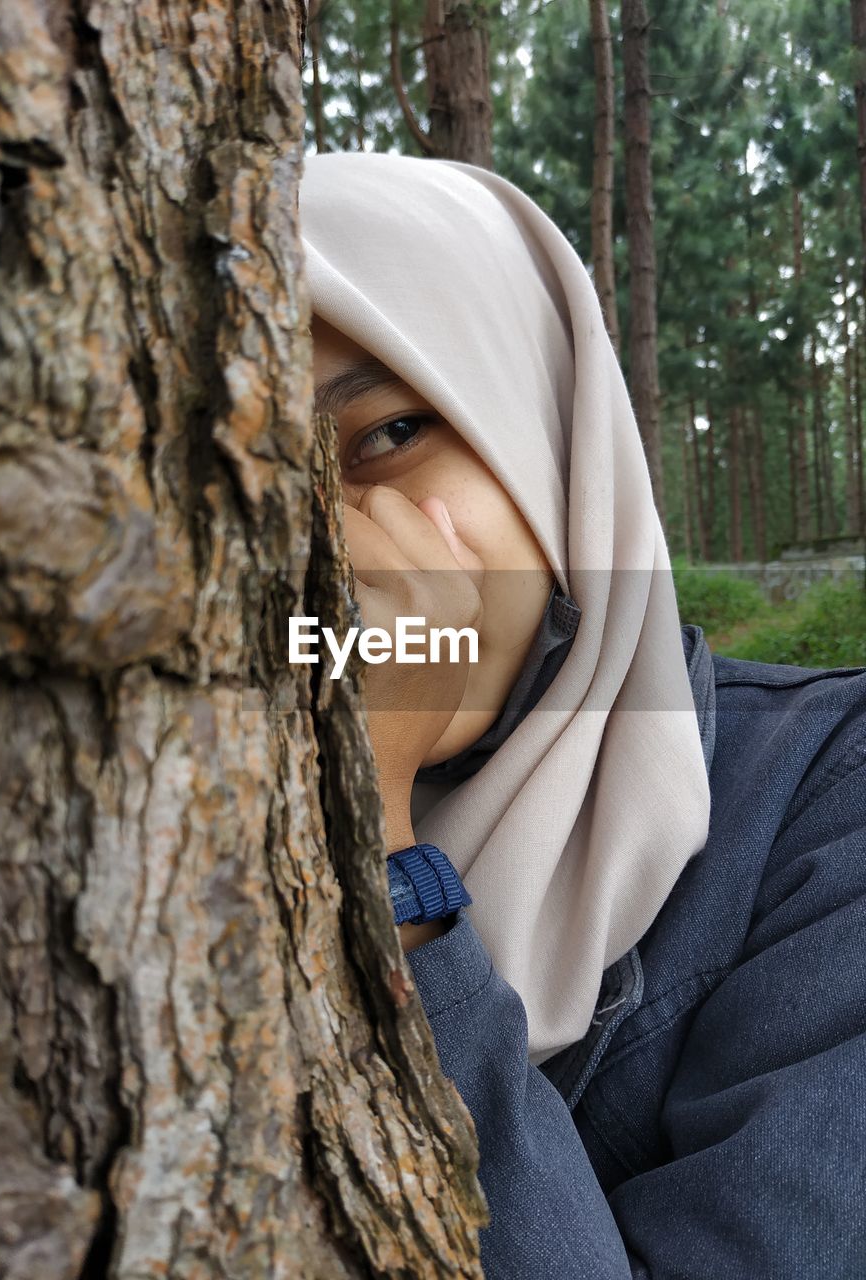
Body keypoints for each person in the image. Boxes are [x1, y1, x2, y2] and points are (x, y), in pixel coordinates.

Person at [299, 151, 866, 1279]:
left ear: (547, 433)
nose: (331, 548)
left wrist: (380, 858)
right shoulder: (165, 831)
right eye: (262, 483)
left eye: (387, 434)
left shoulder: (823, 794)